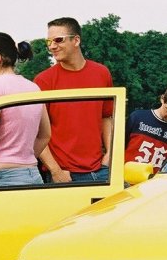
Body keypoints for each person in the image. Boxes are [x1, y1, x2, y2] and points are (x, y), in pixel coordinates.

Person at [33, 17, 115, 183]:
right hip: (64, 175)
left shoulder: (102, 73)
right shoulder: (43, 81)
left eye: (58, 40)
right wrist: (55, 171)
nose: (52, 46)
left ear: (76, 40)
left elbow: (106, 116)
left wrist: (109, 155)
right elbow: (35, 132)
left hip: (102, 170)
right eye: (48, 41)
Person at [0, 32, 50, 188]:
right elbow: (45, 135)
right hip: (33, 175)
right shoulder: (34, 88)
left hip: (2, 177)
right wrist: (23, 159)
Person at [125, 82, 167, 170]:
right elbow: (119, 148)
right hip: (127, 179)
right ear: (162, 99)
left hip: (156, 182)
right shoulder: (137, 118)